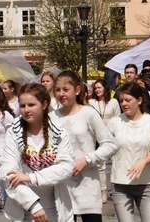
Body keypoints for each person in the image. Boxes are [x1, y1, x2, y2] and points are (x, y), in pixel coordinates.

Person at [0, 83, 74, 222]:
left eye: (31, 105)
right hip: (23, 214)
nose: (26, 110)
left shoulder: (59, 133)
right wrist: (33, 205)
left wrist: (30, 178)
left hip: (57, 212)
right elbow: (7, 174)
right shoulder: (13, 133)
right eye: (22, 106)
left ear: (44, 104)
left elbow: (66, 167)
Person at [54, 71, 118, 221]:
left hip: (88, 185)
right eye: (58, 90)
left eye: (65, 89)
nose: (61, 94)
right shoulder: (52, 117)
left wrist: (87, 159)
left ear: (77, 90)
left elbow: (110, 144)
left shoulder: (89, 113)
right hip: (62, 187)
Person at [107, 82, 150, 222]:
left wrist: (144, 161)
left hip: (146, 184)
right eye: (121, 101)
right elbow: (105, 147)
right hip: (120, 184)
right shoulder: (114, 122)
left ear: (139, 100)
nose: (124, 104)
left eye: (128, 100)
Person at [88, 79, 122, 203]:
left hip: (112, 136)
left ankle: (117, 188)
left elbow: (118, 119)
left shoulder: (113, 102)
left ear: (105, 88)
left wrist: (107, 123)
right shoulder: (91, 102)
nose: (97, 90)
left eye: (99, 87)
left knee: (115, 164)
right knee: (100, 166)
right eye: (95, 88)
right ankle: (103, 191)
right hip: (97, 138)